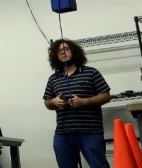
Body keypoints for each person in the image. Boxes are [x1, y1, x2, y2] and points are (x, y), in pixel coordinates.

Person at [42, 39, 111, 168]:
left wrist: (83, 101)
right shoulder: (53, 79)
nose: (62, 53)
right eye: (58, 51)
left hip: (90, 131)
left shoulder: (91, 72)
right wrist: (54, 101)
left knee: (98, 165)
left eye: (66, 49)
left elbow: (106, 96)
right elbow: (47, 102)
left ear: (74, 51)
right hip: (63, 133)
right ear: (55, 56)